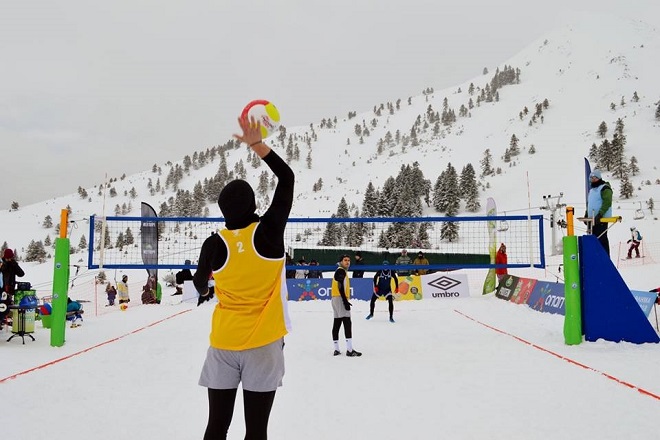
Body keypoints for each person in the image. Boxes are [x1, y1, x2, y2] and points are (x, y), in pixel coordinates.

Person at [193, 115, 294, 440]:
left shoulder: (214, 243)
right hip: (263, 344)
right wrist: (257, 145)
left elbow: (199, 285)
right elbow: (287, 178)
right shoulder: (267, 233)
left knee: (216, 427)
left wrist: (209, 280)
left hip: (223, 343)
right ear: (254, 204)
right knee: (256, 432)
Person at [331, 254, 362, 357]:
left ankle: (336, 349)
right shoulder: (341, 271)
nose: (347, 262)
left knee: (337, 322)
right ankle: (349, 350)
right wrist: (345, 301)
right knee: (347, 322)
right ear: (341, 261)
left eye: (349, 260)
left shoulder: (340, 271)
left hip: (336, 298)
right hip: (340, 299)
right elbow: (340, 286)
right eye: (345, 260)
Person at [586, 169, 613, 256]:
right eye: (591, 178)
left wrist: (600, 214)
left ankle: (605, 259)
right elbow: (590, 204)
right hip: (592, 219)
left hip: (601, 219)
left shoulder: (605, 188)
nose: (593, 180)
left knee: (601, 239)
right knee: (594, 240)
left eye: (595, 178)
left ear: (599, 178)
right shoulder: (592, 190)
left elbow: (607, 202)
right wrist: (586, 214)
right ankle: (596, 258)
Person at [0, 248, 25, 328]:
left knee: (6, 308)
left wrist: (15, 265)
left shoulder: (13, 264)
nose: (9, 259)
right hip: (1, 290)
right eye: (8, 258)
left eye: (11, 258)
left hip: (9, 290)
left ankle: (1, 321)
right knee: (2, 308)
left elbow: (21, 274)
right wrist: (6, 264)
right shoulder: (2, 263)